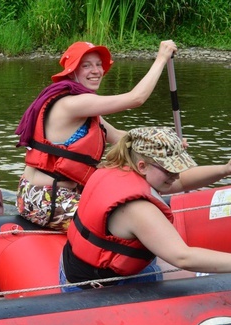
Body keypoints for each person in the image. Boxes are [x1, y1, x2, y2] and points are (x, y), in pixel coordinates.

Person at [15, 40, 178, 231]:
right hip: (45, 198)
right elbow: (136, 98)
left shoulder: (84, 109)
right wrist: (161, 58)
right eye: (86, 65)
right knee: (128, 222)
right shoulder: (72, 104)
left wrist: (167, 145)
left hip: (56, 193)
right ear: (72, 71)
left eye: (98, 64)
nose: (96, 70)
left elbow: (119, 136)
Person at [60, 127, 231, 292]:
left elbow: (182, 182)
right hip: (97, 291)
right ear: (142, 166)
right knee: (205, 282)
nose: (176, 175)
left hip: (75, 270)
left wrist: (225, 169)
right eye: (170, 170)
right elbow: (182, 257)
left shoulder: (118, 168)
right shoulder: (137, 210)